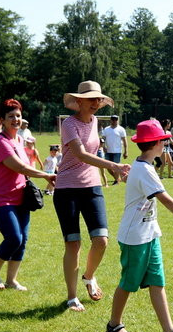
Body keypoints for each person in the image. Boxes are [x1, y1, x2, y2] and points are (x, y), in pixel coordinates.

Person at [105, 119, 173, 332]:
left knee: (157, 282)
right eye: (163, 140)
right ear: (155, 143)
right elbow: (167, 201)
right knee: (128, 283)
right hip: (135, 237)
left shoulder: (145, 166)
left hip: (150, 234)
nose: (166, 144)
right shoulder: (144, 169)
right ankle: (114, 325)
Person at [54, 82, 130, 311]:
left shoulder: (95, 121)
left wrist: (110, 170)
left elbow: (92, 153)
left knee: (101, 240)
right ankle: (71, 297)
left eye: (98, 99)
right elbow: (80, 154)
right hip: (67, 189)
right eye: (91, 99)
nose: (96, 103)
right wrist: (112, 165)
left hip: (92, 187)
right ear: (79, 102)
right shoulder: (69, 124)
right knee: (73, 244)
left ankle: (89, 276)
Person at [0, 99, 57, 292]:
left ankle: (11, 280)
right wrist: (46, 175)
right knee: (14, 238)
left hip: (21, 197)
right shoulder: (0, 142)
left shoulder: (18, 140)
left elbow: (27, 167)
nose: (16, 119)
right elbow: (19, 166)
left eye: (18, 115)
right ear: (2, 120)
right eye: (11, 116)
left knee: (22, 240)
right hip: (1, 199)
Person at [102, 115, 128, 184]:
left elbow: (125, 140)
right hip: (108, 151)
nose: (114, 121)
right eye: (113, 119)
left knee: (116, 167)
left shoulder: (121, 129)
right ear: (110, 120)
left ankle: (116, 181)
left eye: (115, 119)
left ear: (117, 120)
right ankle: (117, 178)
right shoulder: (106, 129)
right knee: (108, 167)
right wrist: (103, 146)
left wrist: (126, 151)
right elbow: (103, 139)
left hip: (117, 151)